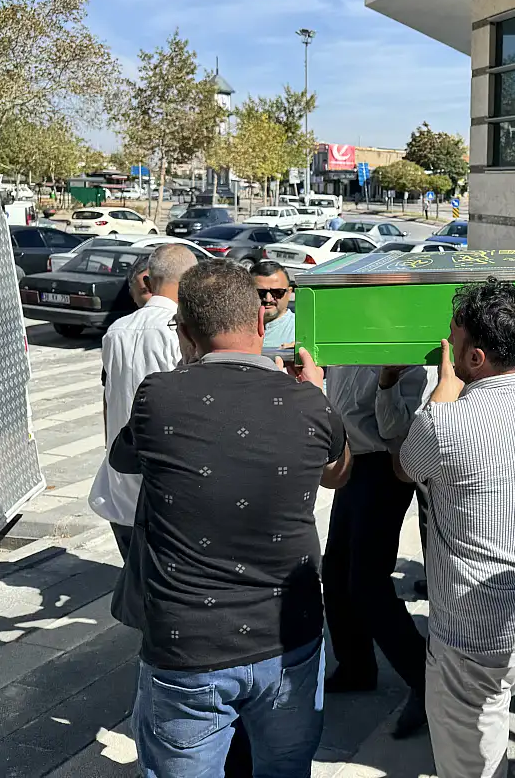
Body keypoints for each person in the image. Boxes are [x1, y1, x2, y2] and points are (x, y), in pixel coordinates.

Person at [108, 260, 351, 777]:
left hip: (186, 642)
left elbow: (123, 460)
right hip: (290, 636)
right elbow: (338, 473)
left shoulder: (157, 397)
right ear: (262, 324)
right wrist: (313, 392)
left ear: (186, 333)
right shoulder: (309, 404)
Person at [399, 279, 515, 778]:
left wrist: (442, 393)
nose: (448, 348)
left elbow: (407, 466)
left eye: (453, 340)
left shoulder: (443, 423)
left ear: (474, 357)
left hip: (471, 641)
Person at [320, 360, 437, 736]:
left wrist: (387, 380)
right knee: (336, 570)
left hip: (384, 468)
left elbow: (398, 429)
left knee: (366, 582)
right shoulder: (338, 338)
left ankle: (425, 679)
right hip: (350, 458)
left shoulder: (403, 355)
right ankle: (355, 665)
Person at [89, 244, 197, 560]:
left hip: (120, 475)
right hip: (166, 480)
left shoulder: (116, 331)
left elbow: (108, 397)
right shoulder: (178, 330)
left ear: (150, 282)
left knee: (134, 572)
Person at [252, 260, 296, 353]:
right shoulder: (234, 328)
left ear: (289, 293)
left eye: (277, 292)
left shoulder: (301, 331)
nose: (268, 299)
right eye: (260, 293)